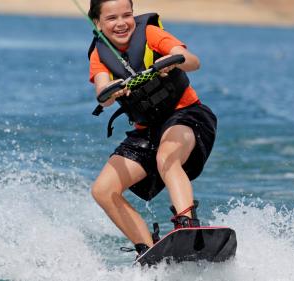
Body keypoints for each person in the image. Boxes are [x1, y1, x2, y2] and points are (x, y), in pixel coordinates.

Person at [87, 0, 217, 257]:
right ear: (97, 23)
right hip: (147, 130)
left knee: (166, 157)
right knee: (103, 190)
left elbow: (193, 61)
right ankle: (147, 250)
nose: (122, 22)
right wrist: (112, 91)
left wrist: (174, 60)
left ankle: (187, 226)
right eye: (112, 18)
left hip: (187, 116)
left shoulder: (149, 33)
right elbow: (102, 92)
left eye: (127, 15)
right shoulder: (99, 54)